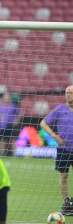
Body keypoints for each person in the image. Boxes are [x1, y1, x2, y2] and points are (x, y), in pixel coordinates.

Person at [40, 85, 73, 215]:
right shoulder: (60, 109)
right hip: (64, 149)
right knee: (63, 176)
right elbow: (43, 123)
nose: (68, 94)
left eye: (71, 92)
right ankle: (66, 202)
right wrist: (54, 136)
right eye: (67, 92)